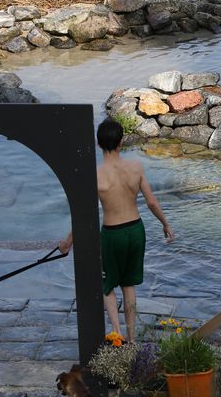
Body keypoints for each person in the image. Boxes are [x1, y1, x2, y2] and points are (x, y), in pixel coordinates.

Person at [59, 118, 175, 343]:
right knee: (128, 284)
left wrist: (67, 243)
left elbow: (84, 215)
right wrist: (166, 224)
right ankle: (132, 338)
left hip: (112, 234)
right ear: (121, 142)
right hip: (135, 231)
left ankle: (117, 333)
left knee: (106, 284)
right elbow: (151, 202)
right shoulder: (136, 167)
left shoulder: (96, 175)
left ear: (99, 144)